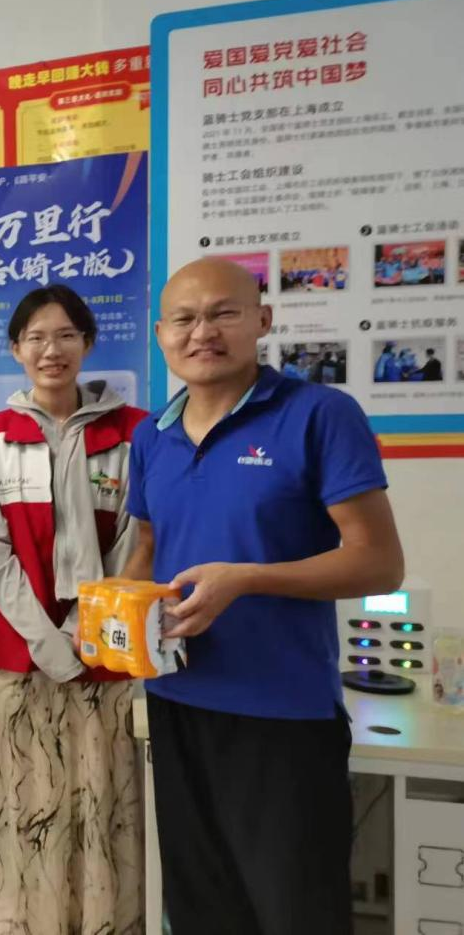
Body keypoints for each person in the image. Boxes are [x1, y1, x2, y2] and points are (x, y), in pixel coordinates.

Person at [123, 257, 404, 935]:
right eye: (184, 320)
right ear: (161, 335)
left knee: (293, 911)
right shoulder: (150, 435)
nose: (202, 333)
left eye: (223, 314)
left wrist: (248, 577)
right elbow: (148, 548)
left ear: (262, 320)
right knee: (200, 908)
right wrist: (113, 609)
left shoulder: (318, 415)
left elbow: (378, 562)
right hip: (176, 701)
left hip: (282, 711)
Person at [0, 285, 146, 934]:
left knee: (101, 798)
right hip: (23, 657)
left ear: (88, 343)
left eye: (66, 335)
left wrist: (81, 627)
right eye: (36, 338)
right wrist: (46, 638)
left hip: (104, 651)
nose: (52, 350)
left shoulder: (132, 432)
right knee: (30, 802)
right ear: (15, 349)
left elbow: (134, 538)